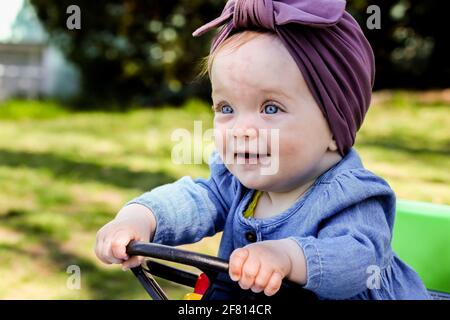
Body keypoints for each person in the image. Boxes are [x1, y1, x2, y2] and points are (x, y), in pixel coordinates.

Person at [95, 0, 429, 299]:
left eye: (270, 108)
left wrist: (286, 258)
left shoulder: (352, 196)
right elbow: (195, 199)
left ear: (334, 125)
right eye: (226, 108)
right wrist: (139, 219)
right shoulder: (238, 183)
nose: (241, 130)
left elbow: (355, 259)